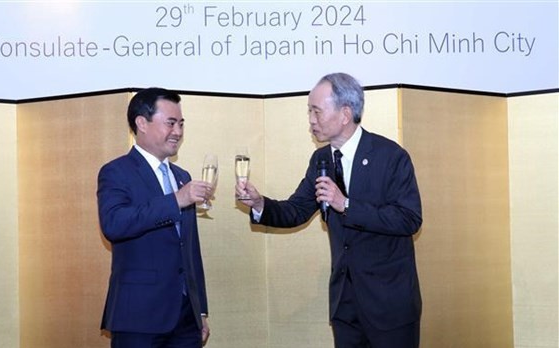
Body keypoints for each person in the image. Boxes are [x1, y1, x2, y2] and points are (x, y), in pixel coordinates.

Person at [236, 73, 423, 347]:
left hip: (389, 306)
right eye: (309, 111)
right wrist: (260, 204)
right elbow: (297, 210)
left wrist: (345, 204)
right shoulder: (321, 158)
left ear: (345, 113)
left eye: (316, 111)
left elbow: (409, 219)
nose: (311, 120)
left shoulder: (391, 156)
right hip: (345, 305)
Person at [97, 88, 211, 348]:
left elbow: (190, 250)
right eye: (170, 123)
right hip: (138, 316)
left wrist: (200, 310)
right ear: (141, 123)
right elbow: (114, 224)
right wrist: (176, 201)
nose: (178, 132)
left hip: (185, 318)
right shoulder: (116, 172)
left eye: (181, 124)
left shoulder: (182, 176)